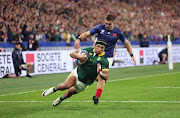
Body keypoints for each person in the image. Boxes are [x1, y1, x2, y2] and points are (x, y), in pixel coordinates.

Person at [74, 14, 136, 104]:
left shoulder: (118, 32)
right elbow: (87, 33)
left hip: (107, 58)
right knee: (93, 74)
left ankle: (97, 96)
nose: (107, 25)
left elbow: (127, 43)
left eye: (109, 24)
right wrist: (78, 39)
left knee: (102, 76)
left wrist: (132, 55)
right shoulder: (100, 27)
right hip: (96, 55)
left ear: (113, 23)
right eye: (106, 23)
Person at [42, 39, 109, 106]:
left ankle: (60, 99)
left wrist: (99, 72)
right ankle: (53, 90)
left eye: (102, 47)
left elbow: (106, 76)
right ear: (95, 45)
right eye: (98, 46)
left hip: (85, 83)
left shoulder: (104, 60)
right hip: (77, 73)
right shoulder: (88, 50)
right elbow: (72, 54)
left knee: (69, 93)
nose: (99, 49)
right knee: (66, 86)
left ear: (104, 49)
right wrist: (78, 56)